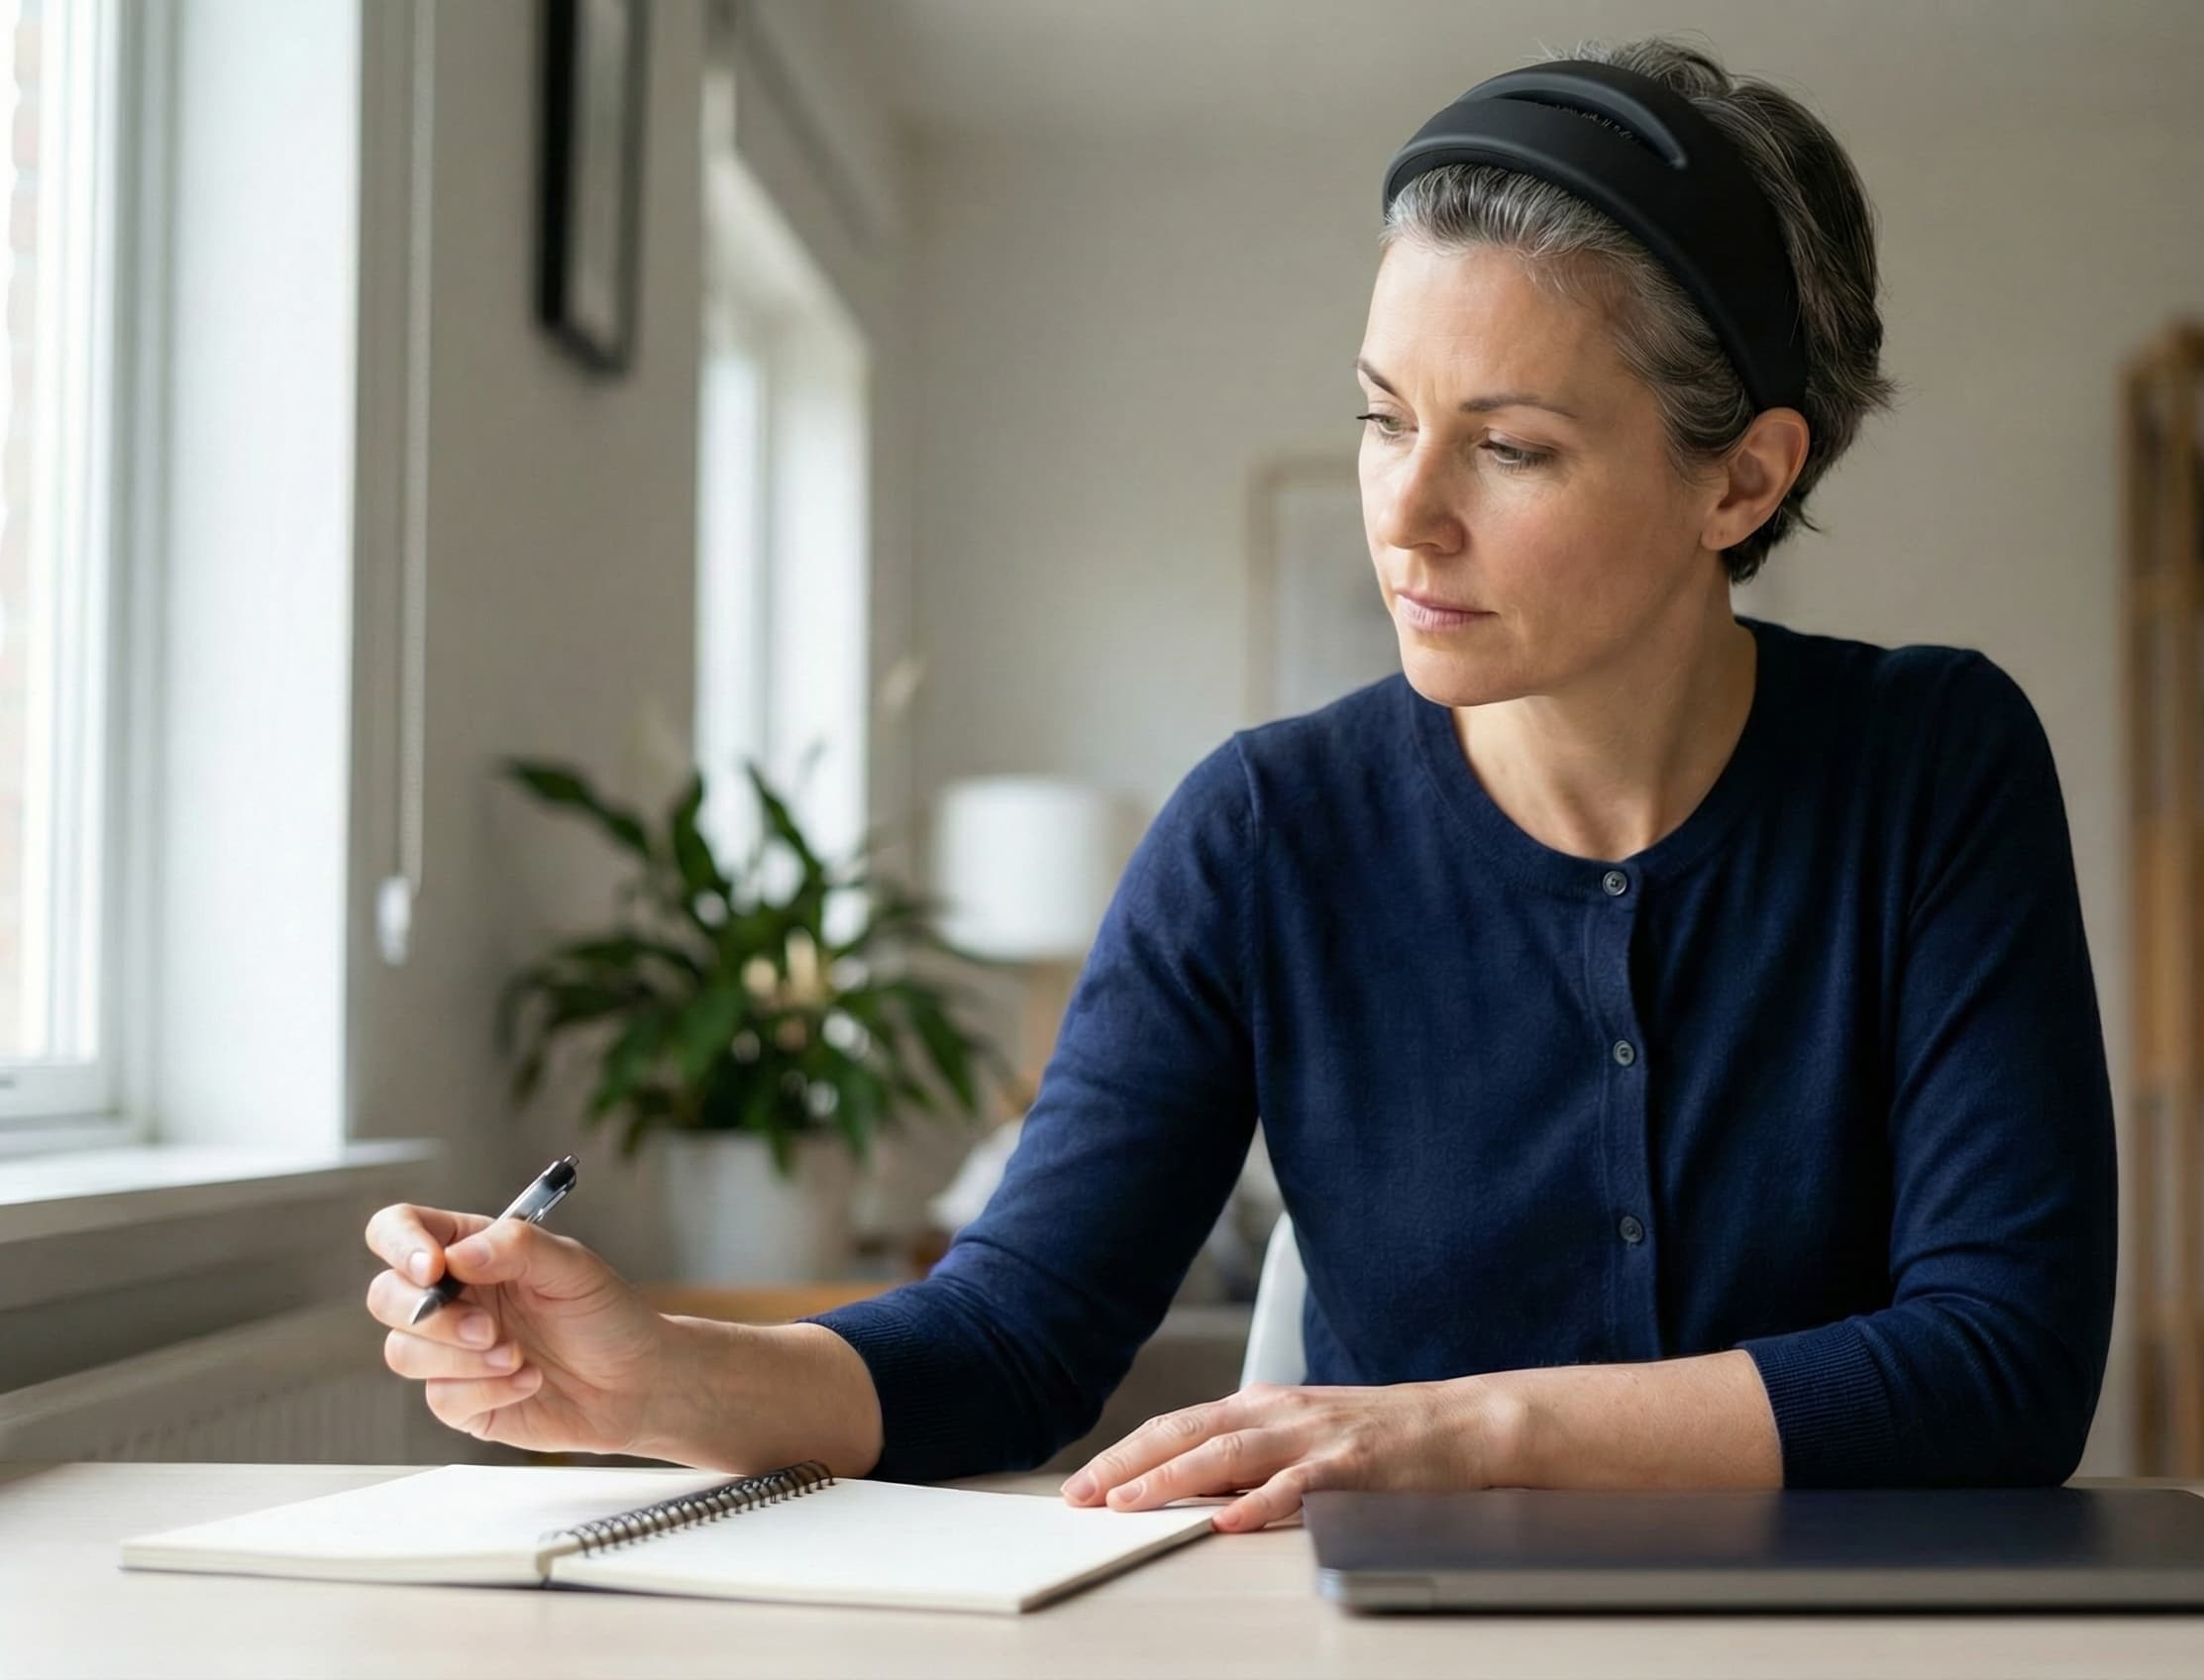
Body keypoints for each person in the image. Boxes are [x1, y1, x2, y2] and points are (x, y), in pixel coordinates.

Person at [364, 36, 2114, 1535]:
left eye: (1509, 447)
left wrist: (1451, 1429)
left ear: (1742, 481)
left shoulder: (1933, 766)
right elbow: (1019, 1336)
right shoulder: (1267, 831)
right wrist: (657, 1376)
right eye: (1381, 416)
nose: (1406, 513)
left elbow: (2002, 1366)